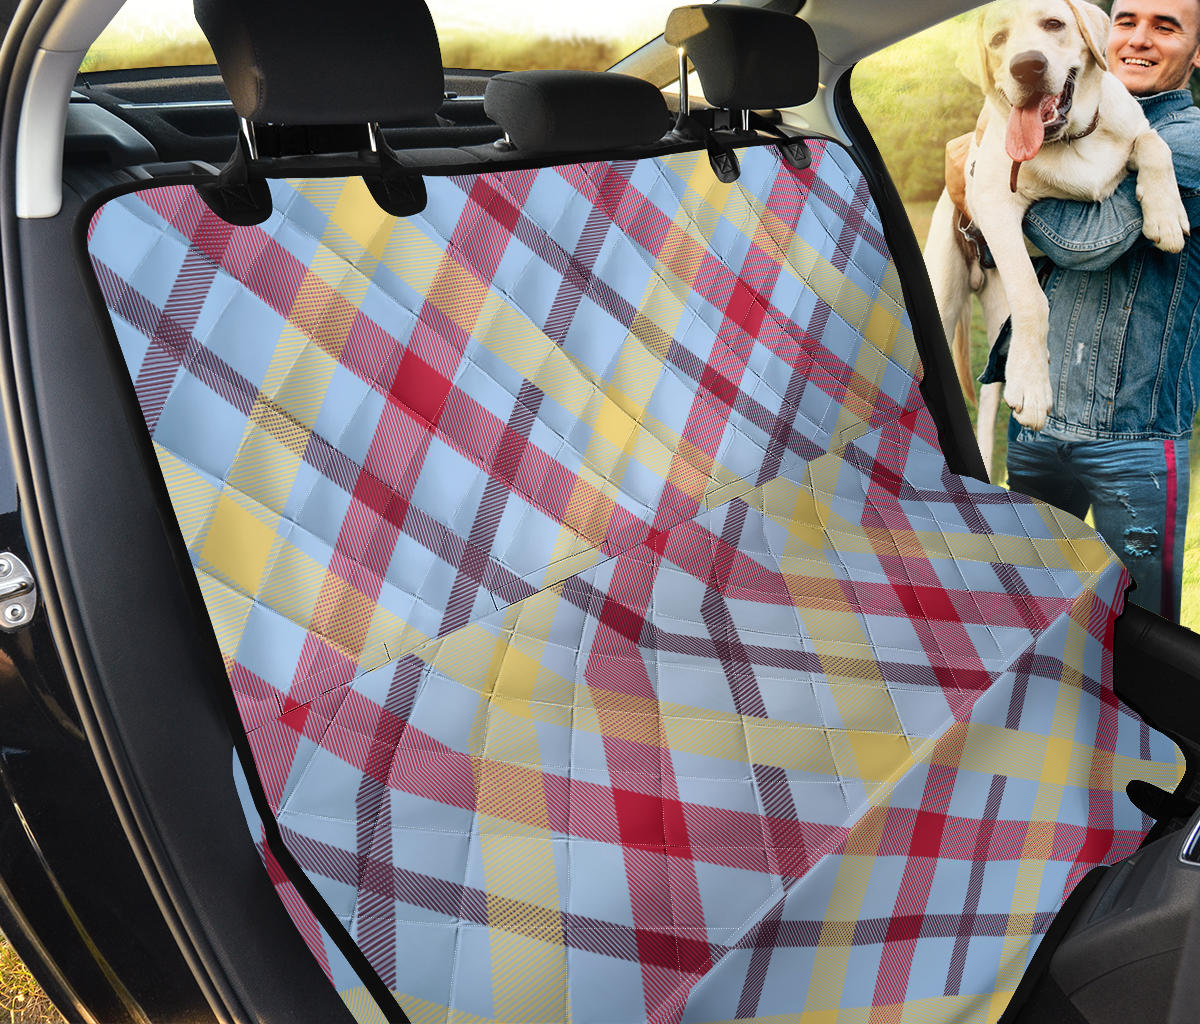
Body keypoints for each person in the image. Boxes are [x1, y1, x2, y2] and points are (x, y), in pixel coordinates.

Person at [987, 0, 1200, 621]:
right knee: (1027, 612)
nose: (1137, 39)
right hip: (1038, 420)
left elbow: (1093, 242)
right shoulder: (1055, 120)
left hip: (1132, 440)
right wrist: (987, 217)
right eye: (1127, 20)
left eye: (1166, 26)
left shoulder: (1187, 140)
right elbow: (1006, 255)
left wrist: (991, 194)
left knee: (1139, 632)